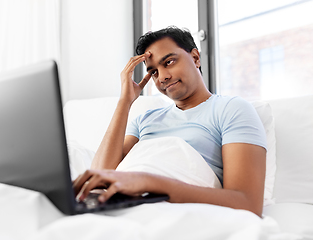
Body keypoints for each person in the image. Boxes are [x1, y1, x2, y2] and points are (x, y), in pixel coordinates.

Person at [73, 26, 267, 217]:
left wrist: (149, 182)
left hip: (172, 211)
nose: (163, 77)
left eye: (169, 62)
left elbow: (248, 204)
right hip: (122, 206)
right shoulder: (144, 121)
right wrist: (125, 102)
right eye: (154, 72)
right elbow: (100, 176)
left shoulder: (231, 109)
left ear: (195, 57)